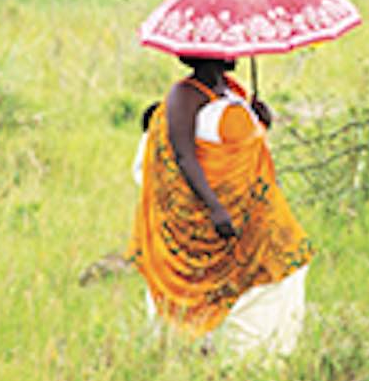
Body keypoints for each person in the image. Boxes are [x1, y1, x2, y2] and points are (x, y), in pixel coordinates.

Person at [127, 56, 314, 354]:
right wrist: (215, 208)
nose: (235, 56)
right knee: (253, 279)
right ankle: (241, 355)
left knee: (282, 267)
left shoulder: (229, 91)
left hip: (249, 209)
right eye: (227, 53)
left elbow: (242, 146)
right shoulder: (184, 95)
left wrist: (259, 121)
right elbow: (184, 155)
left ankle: (261, 355)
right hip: (211, 214)